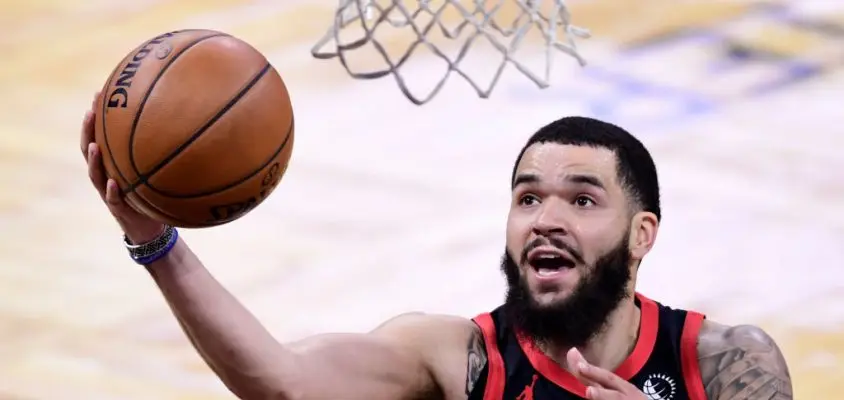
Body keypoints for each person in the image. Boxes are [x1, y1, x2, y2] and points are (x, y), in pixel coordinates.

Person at [80, 94, 793, 400]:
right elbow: (284, 383)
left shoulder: (725, 362)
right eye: (527, 197)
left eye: (581, 199)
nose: (545, 218)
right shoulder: (454, 359)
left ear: (643, 236)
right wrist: (155, 241)